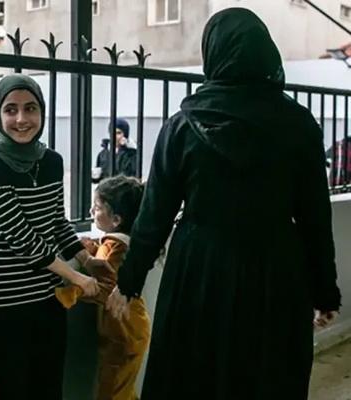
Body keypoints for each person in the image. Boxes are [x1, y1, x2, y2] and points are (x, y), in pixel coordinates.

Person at [107, 8, 341, 399]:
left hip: (199, 269)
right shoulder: (299, 125)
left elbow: (155, 213)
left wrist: (128, 283)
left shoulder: (184, 125)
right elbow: (316, 216)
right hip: (275, 269)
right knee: (265, 373)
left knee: (196, 371)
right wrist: (324, 291)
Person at [0, 74, 104, 400]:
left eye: (30, 108)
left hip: (47, 297)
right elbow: (22, 238)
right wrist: (74, 275)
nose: (21, 119)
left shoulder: (51, 161)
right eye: (10, 109)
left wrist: (89, 260)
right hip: (3, 300)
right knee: (14, 389)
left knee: (48, 387)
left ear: (42, 112)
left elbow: (56, 223)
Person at [55, 175, 151, 400]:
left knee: (112, 393)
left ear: (116, 219)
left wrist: (69, 293)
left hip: (123, 333)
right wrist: (91, 249)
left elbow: (105, 283)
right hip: (132, 330)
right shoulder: (122, 242)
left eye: (97, 207)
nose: (90, 211)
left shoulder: (113, 249)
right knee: (123, 391)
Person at [92, 118, 137, 183]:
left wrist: (125, 149)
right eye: (112, 132)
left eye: (118, 133)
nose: (114, 136)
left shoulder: (131, 154)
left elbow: (132, 176)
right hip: (106, 190)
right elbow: (100, 178)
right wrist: (94, 176)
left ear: (125, 135)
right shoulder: (103, 154)